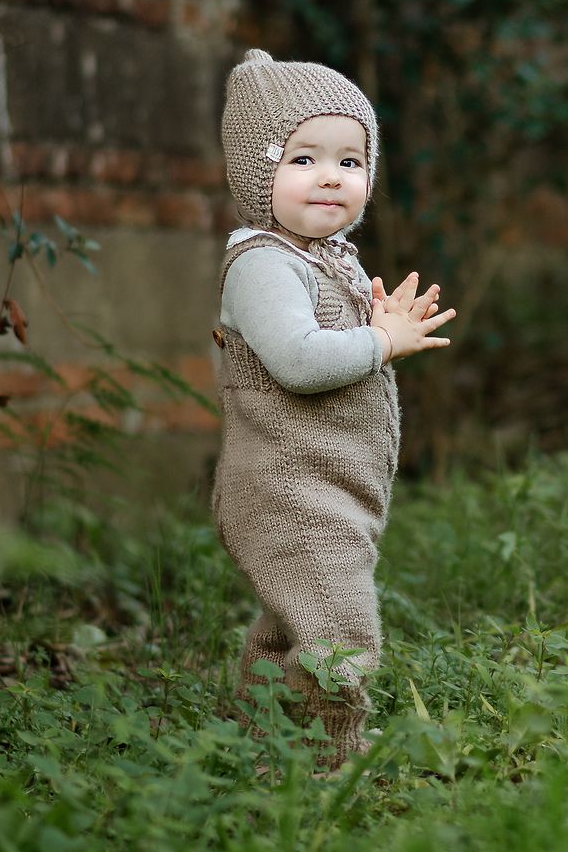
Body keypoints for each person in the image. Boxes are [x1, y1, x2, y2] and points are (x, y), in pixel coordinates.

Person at [211, 48, 455, 769]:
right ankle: (331, 756)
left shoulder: (322, 256)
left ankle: (264, 738)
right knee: (338, 622)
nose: (330, 176)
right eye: (303, 158)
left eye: (350, 162)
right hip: (288, 489)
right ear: (258, 173)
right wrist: (379, 340)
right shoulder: (261, 263)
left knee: (293, 622)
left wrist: (372, 326)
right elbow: (299, 360)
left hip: (322, 483)